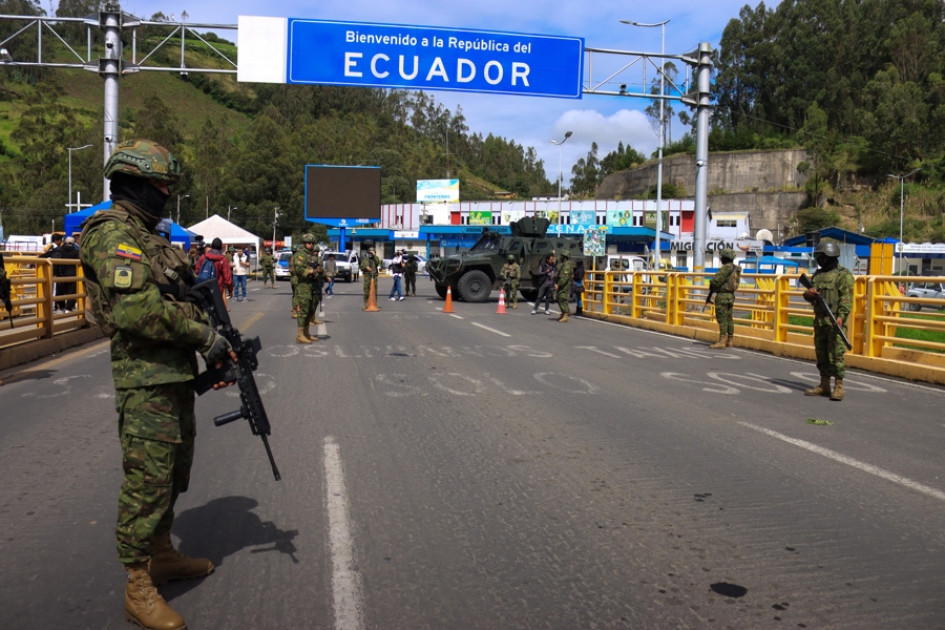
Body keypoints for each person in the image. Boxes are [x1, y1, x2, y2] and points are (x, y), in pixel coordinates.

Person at [79, 139, 236, 630]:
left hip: (172, 373)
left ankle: (162, 553)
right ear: (134, 183)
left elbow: (181, 296)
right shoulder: (111, 234)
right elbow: (136, 310)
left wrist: (216, 339)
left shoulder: (153, 237)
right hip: (144, 380)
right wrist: (203, 336)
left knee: (172, 472)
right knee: (147, 482)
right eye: (161, 185)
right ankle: (137, 584)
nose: (166, 194)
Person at [802, 240, 854, 401]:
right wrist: (808, 294)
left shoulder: (843, 275)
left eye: (821, 256)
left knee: (836, 354)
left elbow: (847, 298)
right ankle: (824, 384)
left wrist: (841, 316)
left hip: (834, 321)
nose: (819, 259)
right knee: (822, 354)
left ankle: (839, 386)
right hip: (820, 321)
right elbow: (810, 298)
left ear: (829, 256)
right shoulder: (817, 276)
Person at [292, 234, 326, 343]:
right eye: (308, 243)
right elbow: (299, 270)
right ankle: (300, 335)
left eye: (312, 243)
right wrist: (310, 271)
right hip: (304, 286)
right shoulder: (300, 255)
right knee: (304, 310)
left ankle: (306, 333)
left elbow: (318, 269)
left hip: (314, 285)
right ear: (304, 243)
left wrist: (320, 272)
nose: (311, 245)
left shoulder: (313, 255)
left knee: (311, 310)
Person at [708, 248, 741, 349]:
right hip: (731, 295)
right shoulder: (736, 268)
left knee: (722, 318)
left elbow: (716, 281)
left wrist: (712, 285)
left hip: (722, 295)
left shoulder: (725, 268)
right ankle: (730, 340)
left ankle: (722, 341)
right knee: (729, 317)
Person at [196, 237, 233, 310]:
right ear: (221, 247)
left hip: (204, 287)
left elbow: (197, 271)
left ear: (212, 246)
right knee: (218, 311)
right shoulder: (222, 259)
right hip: (217, 288)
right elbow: (227, 277)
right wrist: (230, 290)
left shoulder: (203, 257)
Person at [360, 243, 382, 309]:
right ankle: (366, 304)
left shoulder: (376, 258)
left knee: (374, 290)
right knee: (366, 290)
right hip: (367, 276)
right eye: (370, 252)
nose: (371, 254)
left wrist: (374, 255)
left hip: (374, 276)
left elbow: (378, 262)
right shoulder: (365, 259)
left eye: (372, 252)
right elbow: (362, 266)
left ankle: (374, 304)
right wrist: (366, 267)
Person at [554, 250, 573, 322]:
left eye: (562, 256)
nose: (560, 257)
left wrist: (559, 284)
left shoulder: (567, 265)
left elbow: (565, 277)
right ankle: (563, 314)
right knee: (559, 297)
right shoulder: (563, 264)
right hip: (562, 283)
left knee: (562, 297)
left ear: (565, 257)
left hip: (564, 284)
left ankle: (565, 315)